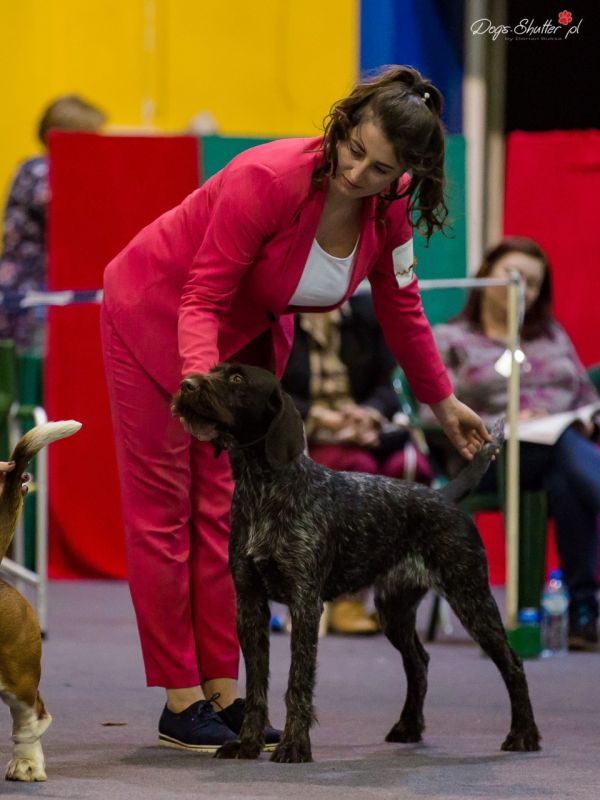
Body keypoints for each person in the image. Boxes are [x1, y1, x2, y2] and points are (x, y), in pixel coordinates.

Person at [101, 65, 490, 752]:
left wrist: (442, 399)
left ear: (406, 175)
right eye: (354, 150)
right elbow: (201, 296)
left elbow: (402, 310)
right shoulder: (267, 177)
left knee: (227, 516)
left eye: (380, 169)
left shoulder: (390, 209)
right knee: (165, 515)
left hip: (246, 343)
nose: (357, 173)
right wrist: (202, 392)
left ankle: (224, 693)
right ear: (343, 125)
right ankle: (180, 699)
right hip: (158, 314)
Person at [425, 236, 600, 650]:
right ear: (487, 276)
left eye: (534, 283)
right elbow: (429, 410)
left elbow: (586, 396)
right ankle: (582, 609)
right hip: (485, 458)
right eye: (514, 275)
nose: (525, 289)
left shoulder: (550, 335)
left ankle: (580, 613)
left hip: (558, 449)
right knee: (566, 459)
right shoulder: (450, 337)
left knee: (564, 477)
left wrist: (585, 420)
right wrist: (504, 424)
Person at [281, 292, 433, 634]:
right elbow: (269, 388)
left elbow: (391, 382)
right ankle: (347, 598)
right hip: (308, 435)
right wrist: (322, 417)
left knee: (410, 470)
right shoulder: (279, 315)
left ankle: (394, 596)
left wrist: (369, 413)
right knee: (358, 472)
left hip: (368, 429)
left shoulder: (366, 312)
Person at [0, 95, 107, 353]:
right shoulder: (39, 170)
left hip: (41, 288)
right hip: (29, 290)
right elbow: (72, 213)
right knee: (31, 362)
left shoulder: (49, 169)